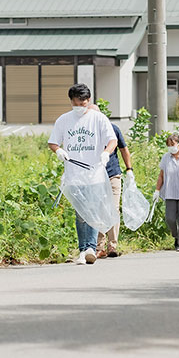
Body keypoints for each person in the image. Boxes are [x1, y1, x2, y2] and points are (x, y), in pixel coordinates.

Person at [47, 83, 117, 265]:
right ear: (71, 101)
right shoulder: (64, 120)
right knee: (80, 214)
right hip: (74, 174)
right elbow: (53, 142)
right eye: (77, 103)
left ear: (89, 100)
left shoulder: (99, 119)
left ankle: (90, 249)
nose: (81, 106)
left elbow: (113, 140)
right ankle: (82, 249)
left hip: (94, 173)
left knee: (92, 211)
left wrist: (105, 153)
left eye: (84, 103)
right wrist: (59, 151)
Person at [98, 120, 134, 259]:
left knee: (113, 208)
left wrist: (129, 169)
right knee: (99, 210)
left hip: (113, 174)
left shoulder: (113, 128)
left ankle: (112, 245)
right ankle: (99, 247)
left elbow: (124, 149)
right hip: (96, 177)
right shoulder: (88, 130)